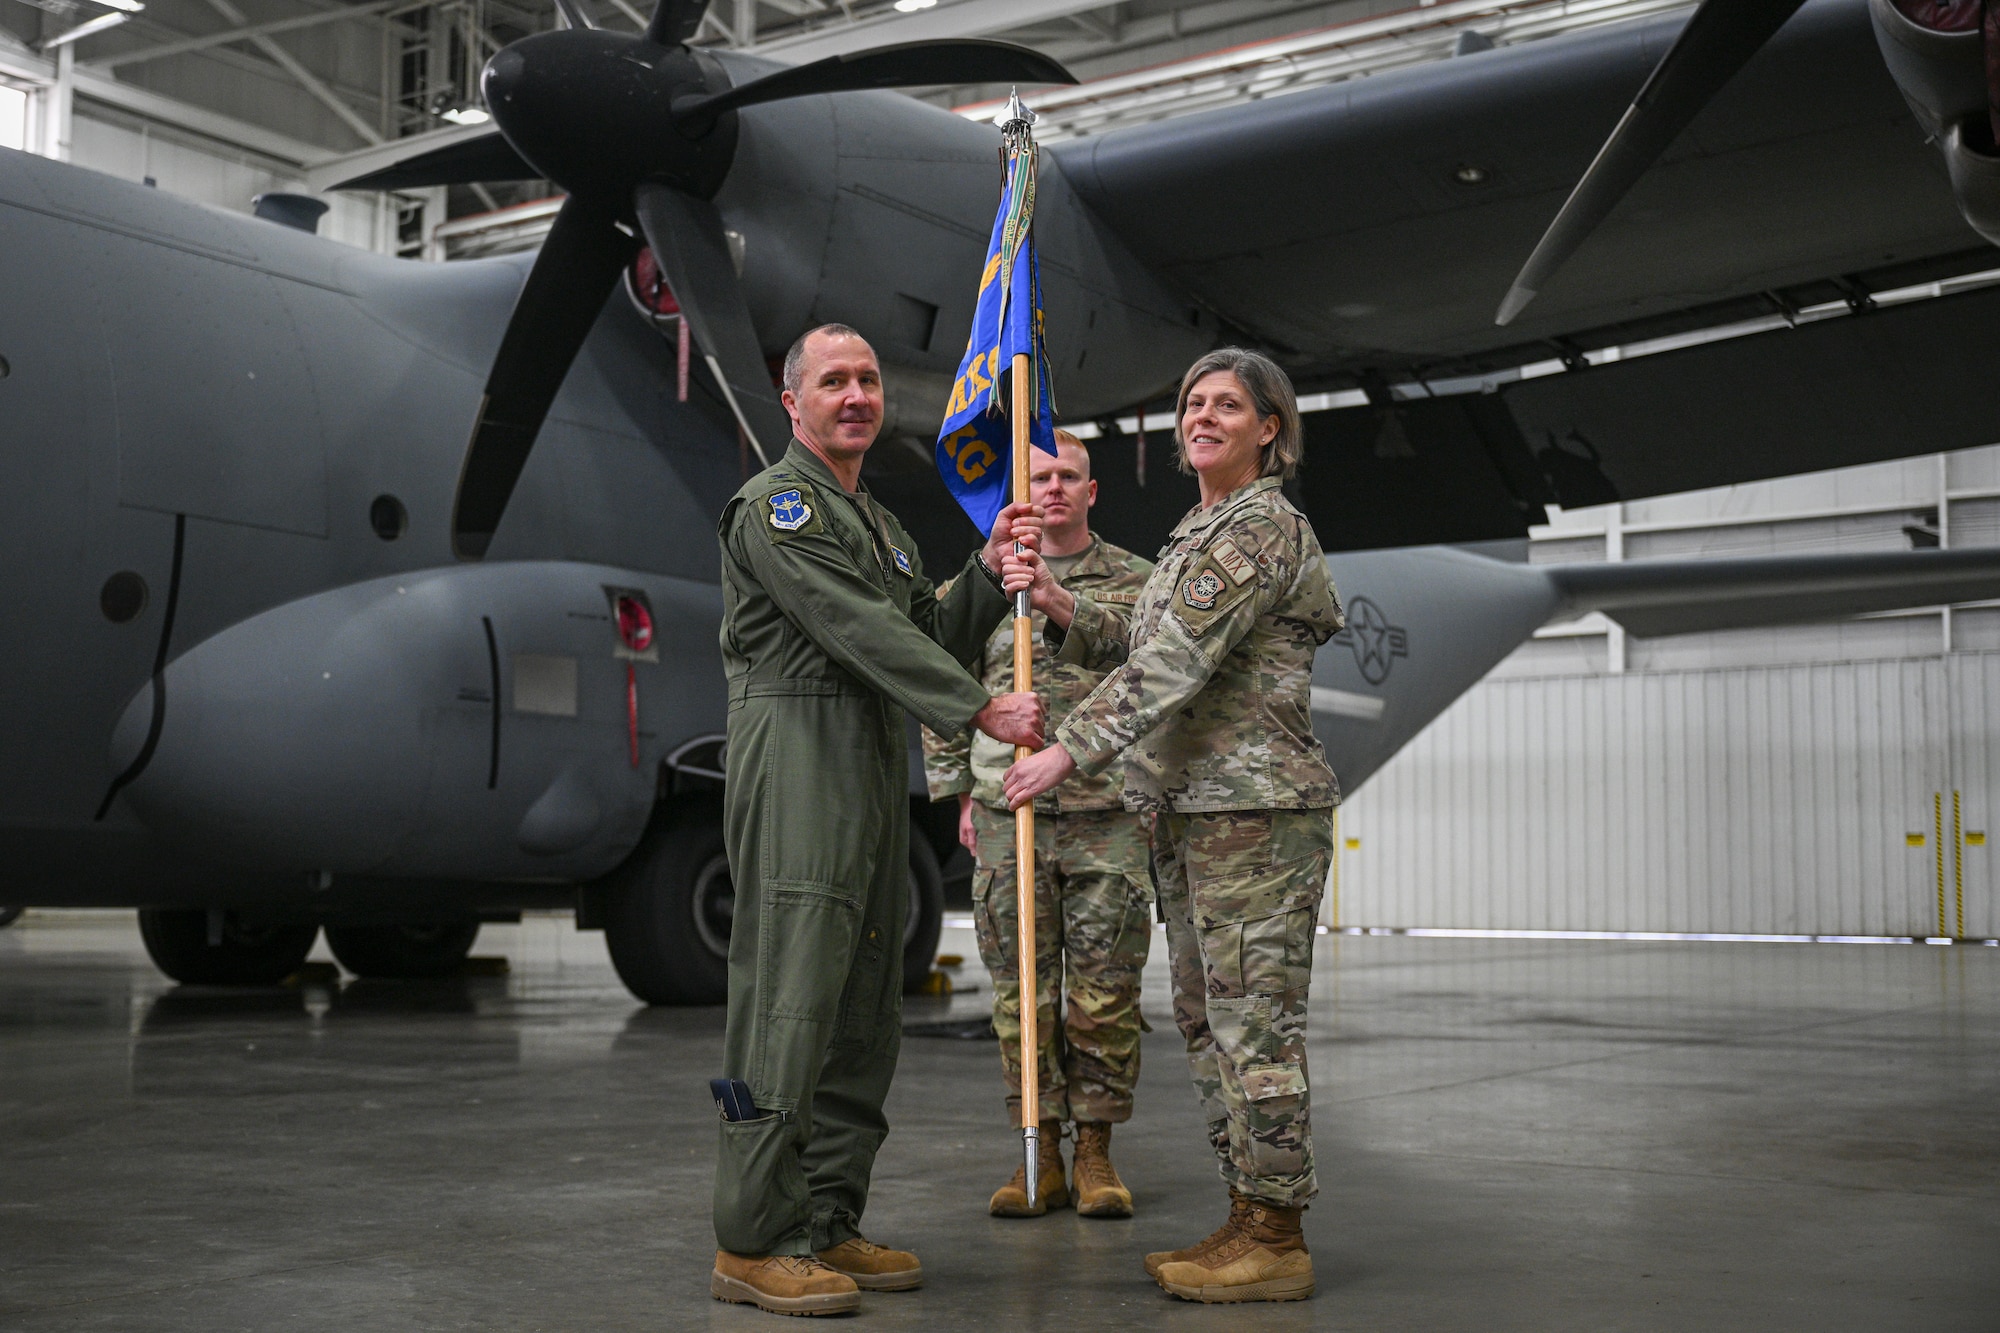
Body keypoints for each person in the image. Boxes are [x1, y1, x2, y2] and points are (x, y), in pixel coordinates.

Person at [711, 323, 1045, 1318]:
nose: (854, 394)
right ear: (793, 403)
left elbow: (921, 631)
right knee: (789, 1000)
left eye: (865, 379)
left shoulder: (884, 525)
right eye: (832, 381)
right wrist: (979, 707)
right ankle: (752, 1236)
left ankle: (822, 1217)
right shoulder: (774, 509)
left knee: (860, 1007)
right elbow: (849, 625)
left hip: (865, 762)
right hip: (799, 755)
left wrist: (986, 572)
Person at [1001, 348, 1343, 1305]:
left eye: (1228, 404)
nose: (1203, 416)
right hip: (1197, 815)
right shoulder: (1198, 529)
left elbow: (1172, 667)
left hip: (1255, 819)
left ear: (1268, 428)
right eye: (1192, 401)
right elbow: (1146, 637)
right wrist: (1062, 601)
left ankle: (1279, 1232)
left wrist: (1066, 751)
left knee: (1254, 1026)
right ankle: (1247, 1210)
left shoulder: (1260, 528)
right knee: (1209, 1023)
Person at [920, 430, 1155, 1220]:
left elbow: (1157, 676)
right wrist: (958, 791)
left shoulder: (1136, 581)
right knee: (1023, 994)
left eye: (1069, 477)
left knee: (1105, 994)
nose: (1053, 488)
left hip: (1107, 814)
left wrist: (1055, 599)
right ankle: (1038, 1149)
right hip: (1005, 811)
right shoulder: (984, 580)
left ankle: (1095, 1153)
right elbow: (942, 675)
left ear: (1093, 492)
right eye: (1040, 476)